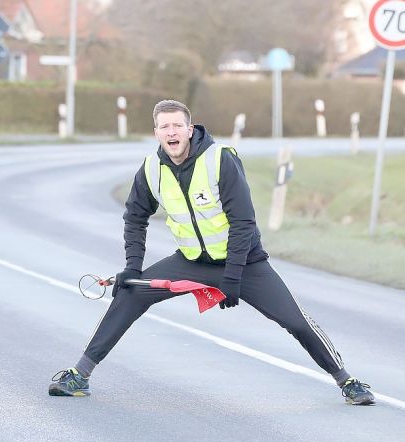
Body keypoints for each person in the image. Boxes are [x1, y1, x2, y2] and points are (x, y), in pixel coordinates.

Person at [48, 99, 375, 406]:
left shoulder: (220, 160)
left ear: (190, 130)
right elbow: (135, 217)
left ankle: (347, 381)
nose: (172, 132)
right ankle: (80, 375)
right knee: (129, 294)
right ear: (156, 133)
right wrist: (133, 268)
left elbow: (244, 222)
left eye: (178, 125)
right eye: (165, 127)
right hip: (191, 263)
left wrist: (232, 278)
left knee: (296, 322)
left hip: (246, 264)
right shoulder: (151, 169)